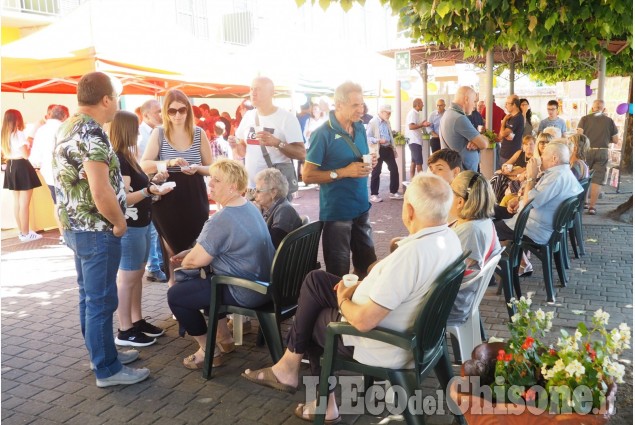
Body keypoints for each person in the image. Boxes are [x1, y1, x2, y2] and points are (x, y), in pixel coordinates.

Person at [241, 174, 463, 423]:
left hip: (384, 340)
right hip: (411, 329)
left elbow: (365, 322)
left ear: (409, 210)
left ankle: (320, 400)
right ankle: (289, 364)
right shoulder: (449, 238)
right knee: (316, 279)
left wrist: (344, 299)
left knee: (313, 319)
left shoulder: (412, 256)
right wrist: (362, 285)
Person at [53, 71, 149, 387]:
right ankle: (106, 368)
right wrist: (120, 222)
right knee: (101, 301)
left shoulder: (68, 126)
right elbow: (100, 189)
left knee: (89, 298)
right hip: (96, 230)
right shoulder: (92, 134)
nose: (117, 104)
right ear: (106, 99)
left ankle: (101, 355)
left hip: (76, 228)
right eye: (116, 98)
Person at [166, 159, 275, 369]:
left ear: (233, 187)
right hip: (265, 284)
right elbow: (227, 244)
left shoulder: (221, 219)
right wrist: (194, 252)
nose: (210, 184)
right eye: (211, 178)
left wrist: (189, 257)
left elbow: (193, 262)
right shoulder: (250, 207)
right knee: (208, 281)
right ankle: (224, 339)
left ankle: (208, 350)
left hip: (246, 290)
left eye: (216, 180)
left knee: (177, 296)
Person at [302, 81, 377, 279]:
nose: (361, 110)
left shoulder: (359, 128)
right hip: (337, 214)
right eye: (355, 105)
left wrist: (369, 162)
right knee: (338, 274)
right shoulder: (322, 134)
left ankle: (360, 307)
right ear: (339, 104)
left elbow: (358, 161)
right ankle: (337, 310)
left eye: (361, 104)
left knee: (368, 268)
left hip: (362, 208)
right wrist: (343, 172)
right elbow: (307, 175)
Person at [140, 89, 213, 288]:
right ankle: (175, 294)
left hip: (194, 195)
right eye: (172, 111)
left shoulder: (199, 133)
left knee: (197, 247)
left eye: (182, 110)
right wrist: (169, 161)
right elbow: (144, 164)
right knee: (171, 250)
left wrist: (197, 168)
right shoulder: (159, 132)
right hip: (168, 197)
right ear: (165, 112)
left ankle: (198, 290)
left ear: (189, 110)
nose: (178, 115)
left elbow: (211, 168)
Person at [110, 111, 170, 347]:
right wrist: (149, 191)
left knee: (135, 275)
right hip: (132, 225)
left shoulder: (128, 156)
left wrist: (154, 184)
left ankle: (136, 321)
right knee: (128, 277)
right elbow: (123, 196)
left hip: (141, 223)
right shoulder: (120, 158)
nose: (138, 132)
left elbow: (139, 189)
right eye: (135, 128)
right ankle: (125, 329)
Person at [494, 143, 583, 273]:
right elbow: (533, 199)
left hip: (533, 228)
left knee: (486, 228)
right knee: (493, 211)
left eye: (543, 155)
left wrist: (531, 177)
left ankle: (494, 271)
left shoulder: (556, 177)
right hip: (538, 223)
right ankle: (521, 263)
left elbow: (529, 203)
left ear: (554, 159)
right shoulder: (563, 173)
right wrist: (518, 200)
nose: (540, 159)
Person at [231, 77, 306, 199]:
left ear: (272, 93)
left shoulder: (286, 118)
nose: (253, 93)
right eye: (251, 89)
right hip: (252, 189)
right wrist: (235, 145)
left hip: (274, 191)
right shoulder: (248, 116)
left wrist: (277, 143)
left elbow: (301, 153)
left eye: (258, 89)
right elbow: (243, 152)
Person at [447, 171, 500, 323]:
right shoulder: (481, 222)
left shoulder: (470, 231)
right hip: (461, 299)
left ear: (460, 202)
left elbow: (442, 275)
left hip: (450, 306)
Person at [137, 99, 167, 283]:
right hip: (148, 185)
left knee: (157, 227)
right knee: (152, 229)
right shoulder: (141, 136)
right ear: (146, 114)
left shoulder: (160, 131)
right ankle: (154, 267)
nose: (161, 115)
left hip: (159, 184)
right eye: (158, 111)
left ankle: (158, 263)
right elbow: (142, 164)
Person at [1, 109, 43, 242]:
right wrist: (30, 143)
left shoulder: (4, 135)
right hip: (21, 166)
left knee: (17, 202)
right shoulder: (18, 134)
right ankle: (26, 233)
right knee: (24, 203)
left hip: (11, 166)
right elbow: (26, 155)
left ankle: (22, 232)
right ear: (17, 119)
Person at [576, 99, 619, 215]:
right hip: (602, 151)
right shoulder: (609, 121)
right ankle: (592, 207)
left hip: (587, 150)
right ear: (603, 109)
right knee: (597, 179)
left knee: (584, 176)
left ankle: (583, 202)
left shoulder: (584, 119)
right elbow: (615, 140)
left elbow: (579, 135)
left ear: (592, 108)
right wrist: (606, 139)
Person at [439, 86, 489, 172]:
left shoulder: (448, 113)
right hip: (464, 175)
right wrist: (480, 140)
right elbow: (484, 144)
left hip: (457, 171)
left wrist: (475, 141)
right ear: (466, 99)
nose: (474, 106)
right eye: (474, 101)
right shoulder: (459, 118)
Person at [253, 168, 303, 248]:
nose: (254, 195)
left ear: (273, 192)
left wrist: (257, 216)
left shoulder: (284, 210)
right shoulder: (269, 209)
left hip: (283, 259)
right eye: (255, 190)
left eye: (258, 191)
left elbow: (271, 245)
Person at [367, 104, 401, 202]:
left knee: (394, 169)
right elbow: (367, 137)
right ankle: (374, 194)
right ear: (381, 112)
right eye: (388, 113)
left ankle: (393, 192)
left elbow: (389, 134)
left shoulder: (387, 122)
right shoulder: (373, 122)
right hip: (378, 149)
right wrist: (378, 140)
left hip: (388, 148)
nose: (389, 115)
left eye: (390, 113)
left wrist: (393, 147)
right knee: (376, 171)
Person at [489, 135, 535, 203]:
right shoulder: (519, 153)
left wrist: (508, 173)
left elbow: (524, 170)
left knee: (499, 178)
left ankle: (492, 201)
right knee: (496, 177)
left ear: (535, 145)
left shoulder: (534, 158)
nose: (528, 146)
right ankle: (492, 200)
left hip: (519, 182)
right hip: (509, 177)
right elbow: (506, 164)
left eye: (531, 144)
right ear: (523, 146)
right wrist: (504, 168)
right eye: (526, 144)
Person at [405, 98, 431, 178]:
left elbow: (416, 126)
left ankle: (412, 180)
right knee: (419, 163)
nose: (423, 105)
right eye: (422, 103)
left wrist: (422, 125)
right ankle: (422, 183)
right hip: (414, 141)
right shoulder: (413, 113)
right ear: (417, 104)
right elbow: (411, 126)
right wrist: (422, 125)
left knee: (414, 161)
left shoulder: (415, 113)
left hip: (415, 141)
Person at [499, 95, 524, 164]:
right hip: (504, 152)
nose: (505, 106)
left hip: (511, 154)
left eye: (507, 103)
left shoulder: (517, 118)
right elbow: (501, 136)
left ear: (514, 105)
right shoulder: (510, 117)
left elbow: (503, 133)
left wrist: (504, 121)